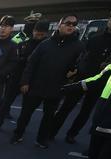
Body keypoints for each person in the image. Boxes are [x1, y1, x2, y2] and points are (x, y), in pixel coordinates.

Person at [11, 15, 84, 149]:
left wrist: (74, 72)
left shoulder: (78, 47)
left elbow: (80, 66)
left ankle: (41, 139)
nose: (71, 26)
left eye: (74, 24)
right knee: (25, 113)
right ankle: (18, 134)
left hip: (56, 88)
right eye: (67, 23)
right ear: (60, 24)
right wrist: (25, 82)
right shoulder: (46, 44)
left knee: (48, 117)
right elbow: (31, 63)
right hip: (35, 86)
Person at [50, 9, 111, 143]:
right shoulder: (95, 38)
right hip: (82, 78)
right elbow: (82, 57)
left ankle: (72, 134)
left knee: (86, 111)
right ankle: (51, 132)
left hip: (102, 82)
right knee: (66, 106)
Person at [0, 18, 49, 130]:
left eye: (41, 33)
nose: (38, 35)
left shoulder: (46, 46)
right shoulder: (23, 43)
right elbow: (15, 60)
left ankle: (19, 131)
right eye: (36, 31)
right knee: (6, 102)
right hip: (16, 77)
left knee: (26, 109)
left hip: (32, 81)